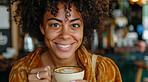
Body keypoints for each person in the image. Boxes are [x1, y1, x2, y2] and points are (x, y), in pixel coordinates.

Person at [9, 0, 122, 82]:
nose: (65, 35)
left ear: (84, 28)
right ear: (42, 28)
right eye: (55, 25)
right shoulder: (22, 71)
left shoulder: (103, 70)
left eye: (74, 25)